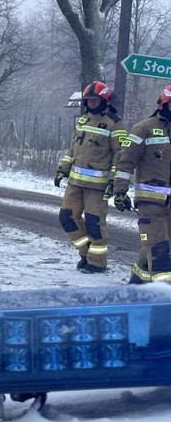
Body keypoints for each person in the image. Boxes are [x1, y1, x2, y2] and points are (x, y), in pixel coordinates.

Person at [54, 81, 125, 273]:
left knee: (94, 223)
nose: (91, 104)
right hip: (75, 182)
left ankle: (97, 263)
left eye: (95, 101)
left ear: (104, 100)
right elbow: (73, 148)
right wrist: (63, 168)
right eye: (88, 101)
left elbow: (120, 155)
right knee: (67, 217)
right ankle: (85, 253)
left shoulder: (115, 123)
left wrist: (114, 181)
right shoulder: (83, 120)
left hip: (98, 185)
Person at [112, 84, 171, 284]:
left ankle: (136, 284)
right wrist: (120, 190)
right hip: (151, 204)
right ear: (163, 105)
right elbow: (126, 161)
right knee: (159, 251)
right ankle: (165, 298)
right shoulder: (144, 128)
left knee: (154, 251)